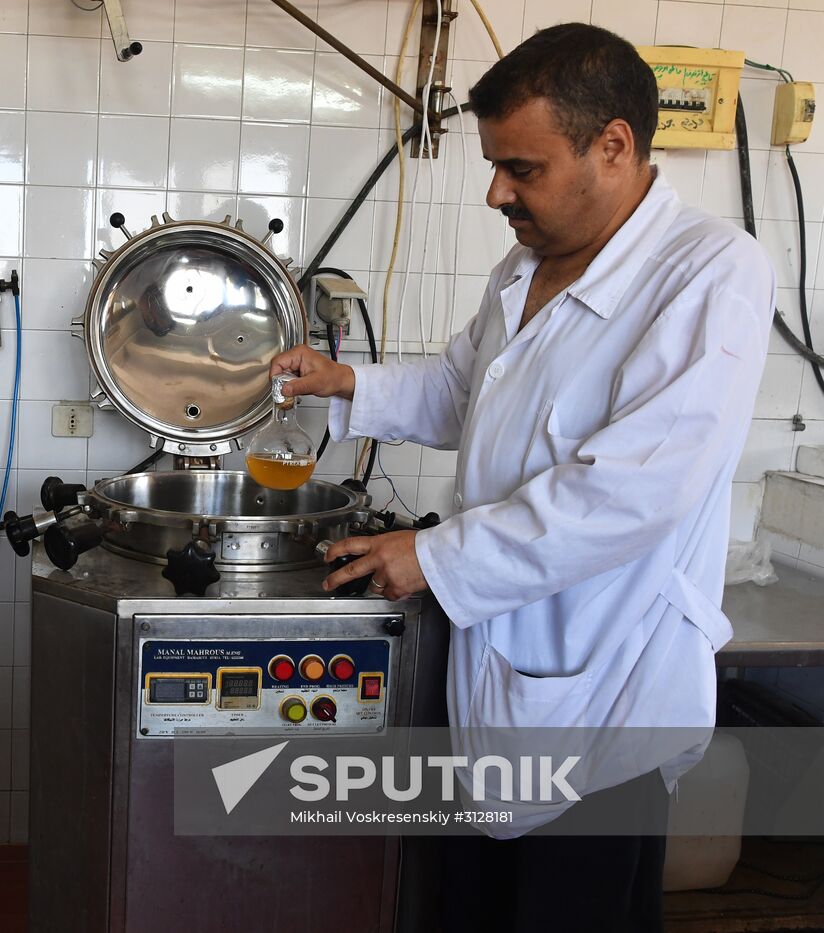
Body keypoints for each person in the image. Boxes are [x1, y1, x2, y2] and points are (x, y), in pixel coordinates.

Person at [272, 23, 774, 933]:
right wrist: (347, 382)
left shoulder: (710, 273)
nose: (496, 190)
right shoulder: (528, 262)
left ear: (613, 145)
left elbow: (630, 491)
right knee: (477, 905)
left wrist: (435, 555)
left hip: (604, 687)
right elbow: (467, 388)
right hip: (501, 670)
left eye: (522, 167)